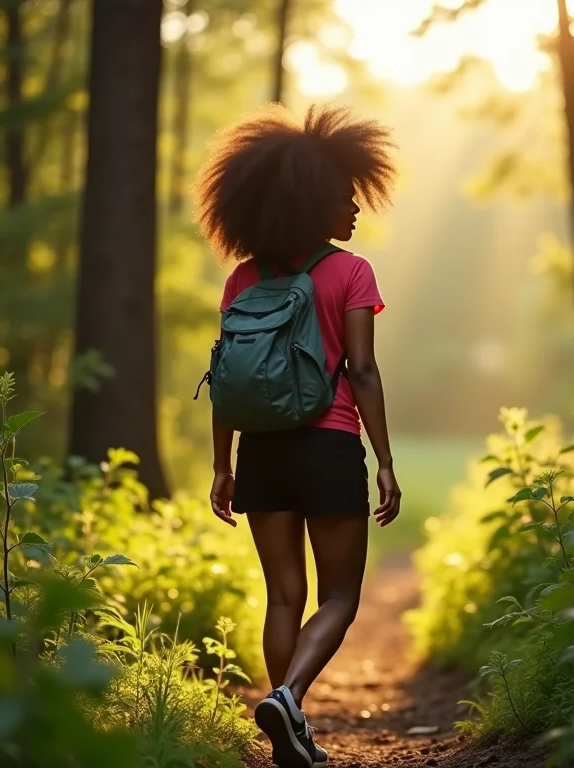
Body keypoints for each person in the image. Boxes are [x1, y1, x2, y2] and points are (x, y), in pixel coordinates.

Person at [195, 104, 401, 768]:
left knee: (284, 594)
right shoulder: (350, 273)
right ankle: (289, 698)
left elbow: (226, 377)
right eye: (343, 198)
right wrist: (386, 463)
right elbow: (363, 369)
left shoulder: (242, 279)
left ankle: (288, 725)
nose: (353, 210)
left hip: (262, 451)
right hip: (329, 444)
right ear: (312, 202)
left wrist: (223, 466)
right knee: (340, 596)